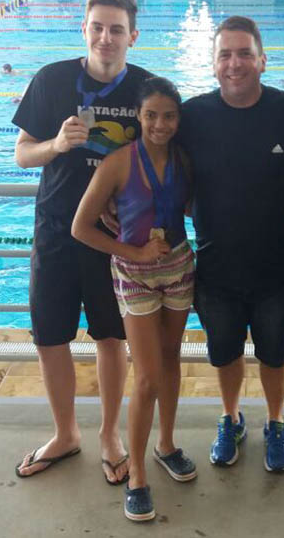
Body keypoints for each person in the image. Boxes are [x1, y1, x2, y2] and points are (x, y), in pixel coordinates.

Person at [12, 0, 152, 486]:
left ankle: (110, 436)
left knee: (111, 338)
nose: (106, 37)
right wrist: (55, 143)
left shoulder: (147, 89)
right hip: (54, 233)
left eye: (116, 29)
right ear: (84, 30)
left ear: (133, 35)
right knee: (50, 338)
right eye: (97, 27)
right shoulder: (52, 81)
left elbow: (165, 165)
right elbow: (22, 154)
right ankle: (65, 433)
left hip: (111, 239)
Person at [177, 16, 284, 472]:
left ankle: (274, 422)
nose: (235, 64)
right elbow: (156, 167)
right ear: (213, 64)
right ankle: (230, 418)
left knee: (274, 354)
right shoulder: (192, 116)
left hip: (275, 268)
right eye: (225, 55)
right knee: (224, 353)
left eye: (245, 53)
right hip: (216, 266)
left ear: (262, 60)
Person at [72, 77, 196, 522]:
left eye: (168, 116)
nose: (160, 124)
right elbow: (81, 227)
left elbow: (192, 206)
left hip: (179, 266)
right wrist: (134, 251)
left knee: (171, 359)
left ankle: (166, 444)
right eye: (151, 115)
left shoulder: (184, 160)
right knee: (146, 376)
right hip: (135, 275)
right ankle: (139, 474)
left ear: (178, 120)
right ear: (139, 117)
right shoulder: (118, 163)